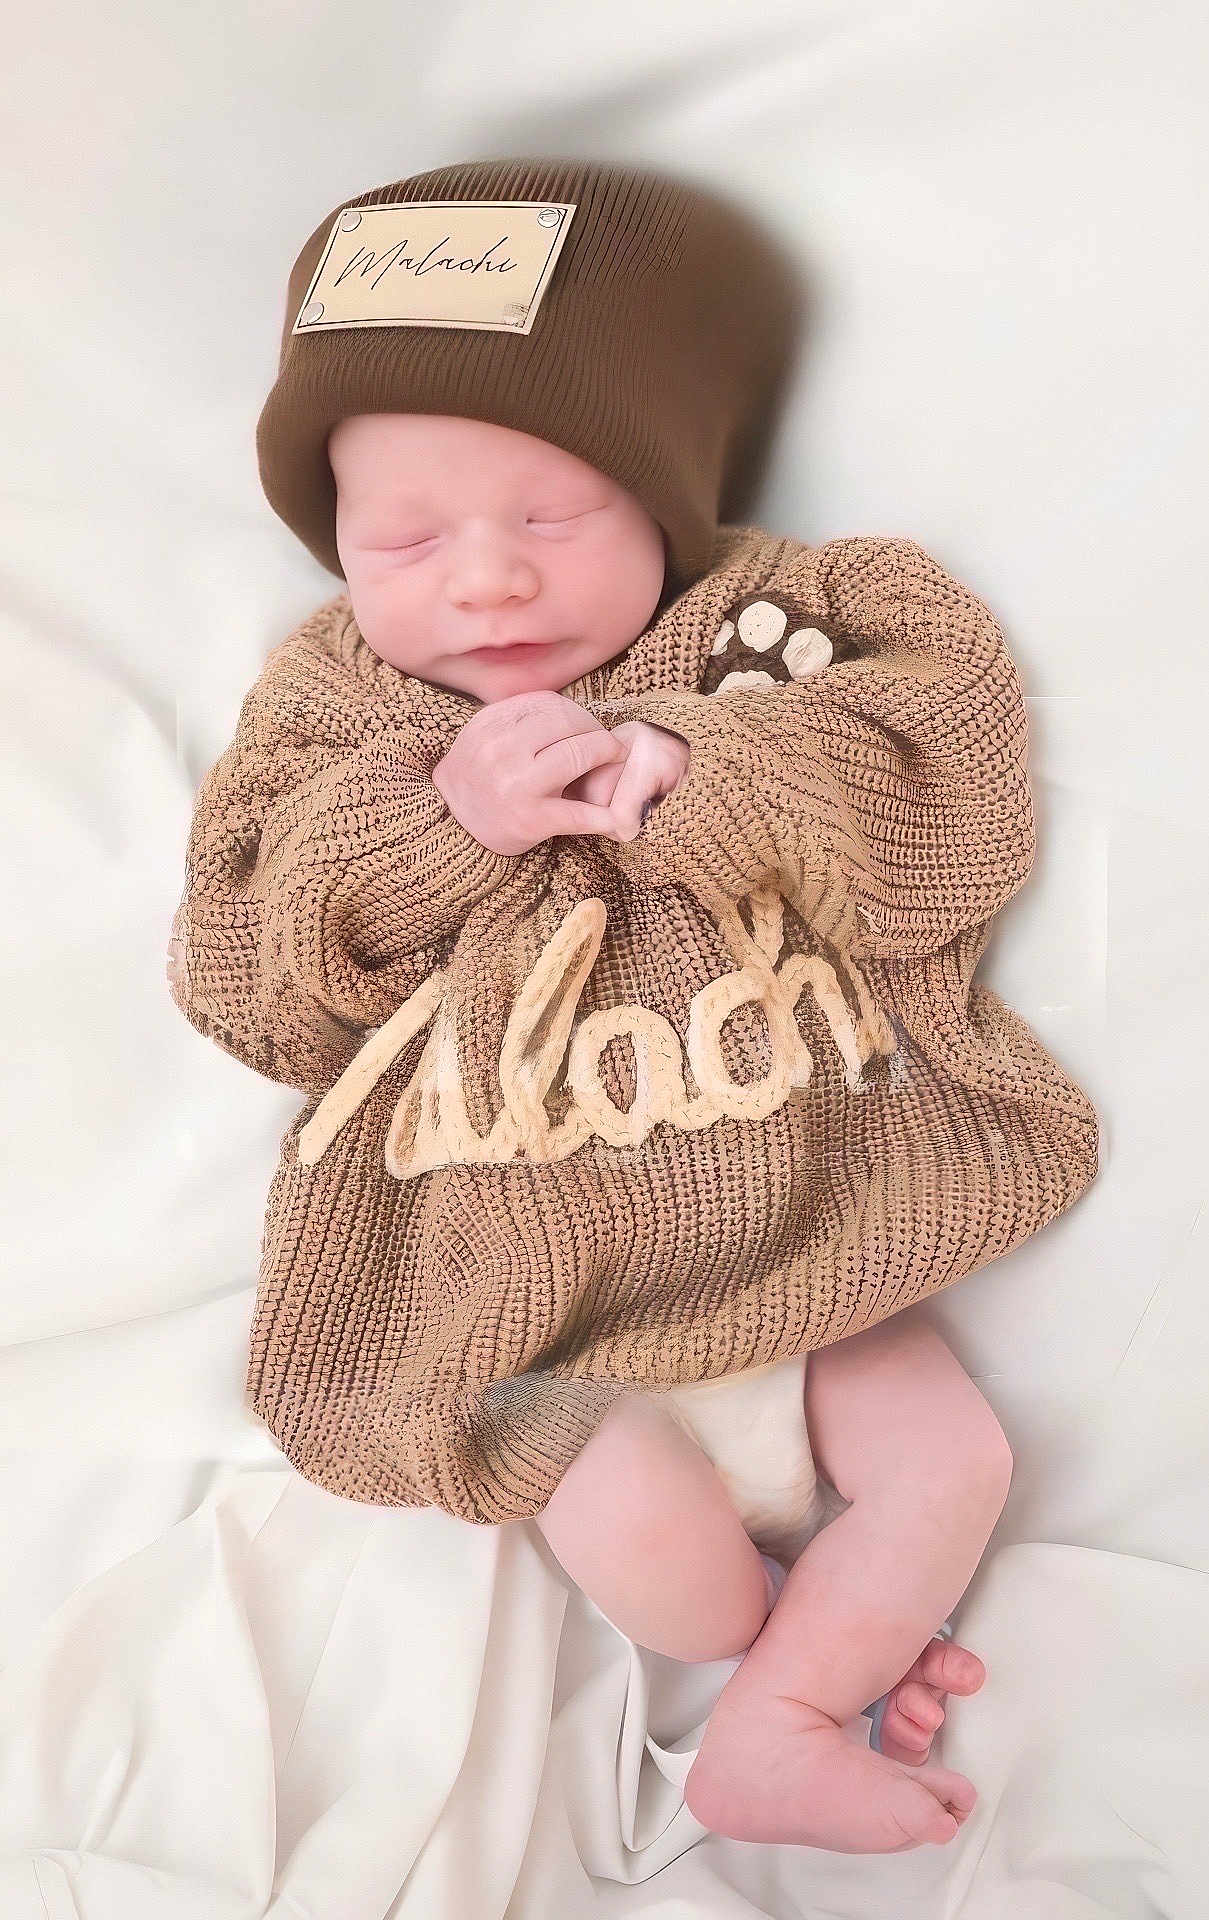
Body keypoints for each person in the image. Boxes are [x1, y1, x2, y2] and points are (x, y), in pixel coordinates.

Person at [169, 158, 1100, 1854]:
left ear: (669, 492)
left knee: (948, 1458)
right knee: (671, 1583)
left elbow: (948, 778)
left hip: (812, 1238)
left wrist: (715, 765)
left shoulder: (789, 627)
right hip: (521, 1315)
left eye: (552, 517)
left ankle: (790, 1713)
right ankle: (781, 1657)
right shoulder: (328, 708)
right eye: (403, 539)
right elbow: (243, 965)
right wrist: (430, 824)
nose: (487, 583)